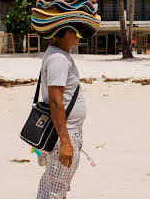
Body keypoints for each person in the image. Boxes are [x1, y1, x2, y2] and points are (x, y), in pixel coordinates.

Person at [37, 27, 86, 199]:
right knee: (54, 190)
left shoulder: (58, 55)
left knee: (59, 187)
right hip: (62, 135)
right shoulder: (58, 59)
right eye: (76, 32)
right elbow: (55, 101)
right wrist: (65, 142)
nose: (78, 36)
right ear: (68, 33)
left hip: (65, 132)